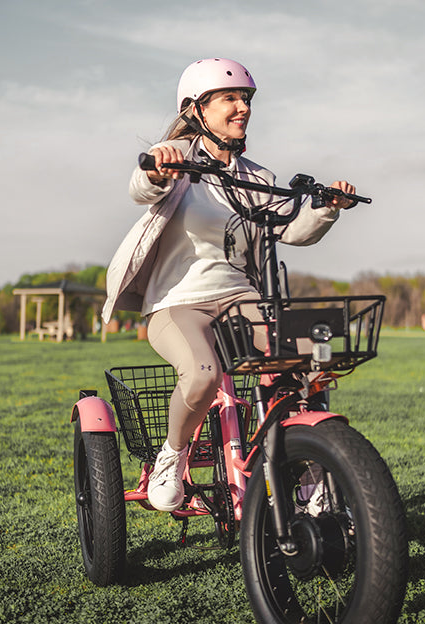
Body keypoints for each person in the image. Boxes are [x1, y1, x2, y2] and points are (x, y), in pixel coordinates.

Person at [102, 58, 356, 512]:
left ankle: (311, 473)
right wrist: (159, 168)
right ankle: (172, 456)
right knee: (202, 375)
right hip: (177, 302)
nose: (243, 108)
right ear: (197, 109)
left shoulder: (257, 178)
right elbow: (143, 186)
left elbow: (290, 230)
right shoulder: (176, 159)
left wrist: (326, 208)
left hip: (241, 299)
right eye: (230, 98)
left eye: (246, 99)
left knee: (309, 359)